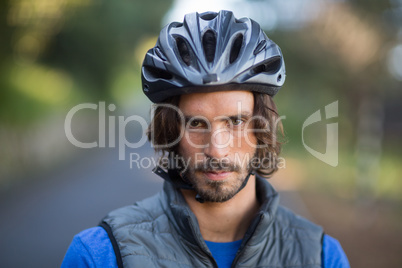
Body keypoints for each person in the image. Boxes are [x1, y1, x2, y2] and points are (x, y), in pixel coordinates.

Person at [62, 10, 350, 268]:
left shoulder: (321, 257)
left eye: (236, 121)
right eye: (196, 124)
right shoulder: (103, 256)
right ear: (171, 131)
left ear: (261, 127)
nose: (217, 149)